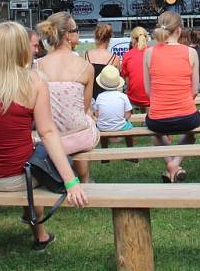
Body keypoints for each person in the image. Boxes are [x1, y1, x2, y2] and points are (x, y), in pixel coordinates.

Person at [0, 21, 87, 251]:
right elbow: (48, 132)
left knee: (26, 155)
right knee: (35, 159)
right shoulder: (33, 80)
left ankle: (40, 235)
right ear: (21, 48)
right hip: (16, 177)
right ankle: (39, 234)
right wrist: (71, 181)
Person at [35, 12, 99, 183]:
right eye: (77, 30)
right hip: (79, 137)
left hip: (46, 138)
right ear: (67, 35)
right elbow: (84, 107)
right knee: (86, 118)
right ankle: (84, 178)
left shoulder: (37, 66)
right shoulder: (86, 67)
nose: (79, 33)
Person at [144, 11, 200, 182]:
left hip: (157, 117)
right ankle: (175, 164)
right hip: (187, 116)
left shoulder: (149, 53)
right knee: (191, 134)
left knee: (156, 133)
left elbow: (148, 90)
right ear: (179, 30)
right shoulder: (191, 52)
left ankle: (171, 165)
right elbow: (195, 90)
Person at [84, 24, 121, 99]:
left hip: (89, 98)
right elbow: (117, 84)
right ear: (110, 38)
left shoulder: (86, 55)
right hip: (107, 100)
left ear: (95, 37)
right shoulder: (115, 58)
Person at [92, 66, 133, 132]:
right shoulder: (123, 96)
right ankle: (129, 142)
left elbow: (97, 114)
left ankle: (104, 142)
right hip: (120, 126)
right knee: (129, 124)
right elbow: (128, 114)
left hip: (102, 127)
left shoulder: (100, 96)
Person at [121, 27, 150, 110]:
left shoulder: (127, 55)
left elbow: (127, 81)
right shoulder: (153, 53)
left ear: (133, 40)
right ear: (146, 38)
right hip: (152, 98)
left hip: (134, 98)